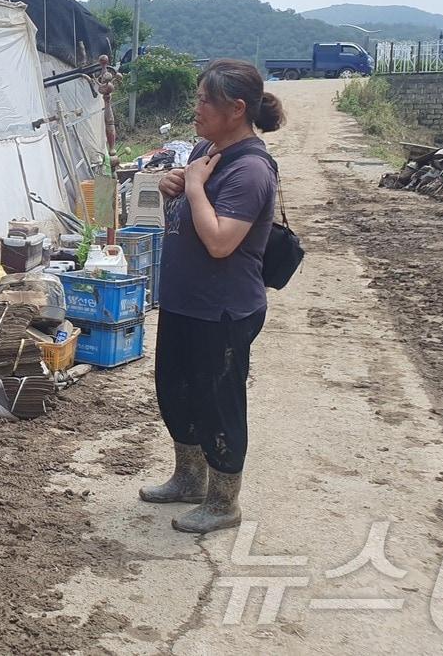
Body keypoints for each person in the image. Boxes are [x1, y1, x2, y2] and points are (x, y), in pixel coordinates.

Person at [138, 58, 284, 533]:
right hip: (184, 302)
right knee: (176, 392)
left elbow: (221, 241)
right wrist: (171, 189)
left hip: (223, 310)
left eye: (205, 99)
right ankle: (188, 478)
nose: (196, 107)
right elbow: (185, 220)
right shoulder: (207, 149)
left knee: (217, 402)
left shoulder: (251, 170)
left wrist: (196, 188)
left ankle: (224, 502)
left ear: (237, 108)